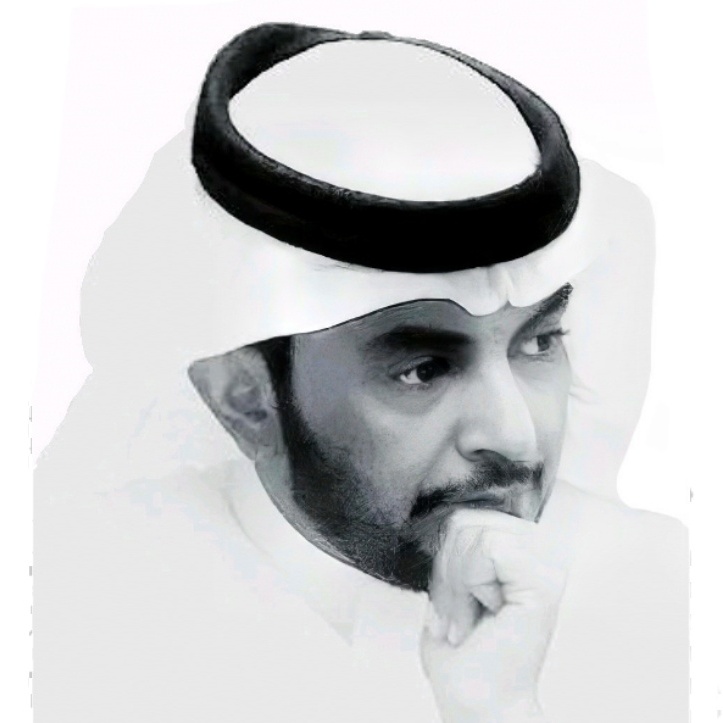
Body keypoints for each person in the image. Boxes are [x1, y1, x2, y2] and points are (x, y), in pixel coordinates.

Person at [34, 23, 688, 723]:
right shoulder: (69, 614)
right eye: (423, 370)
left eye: (539, 343)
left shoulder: (671, 600)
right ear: (245, 399)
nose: (515, 436)